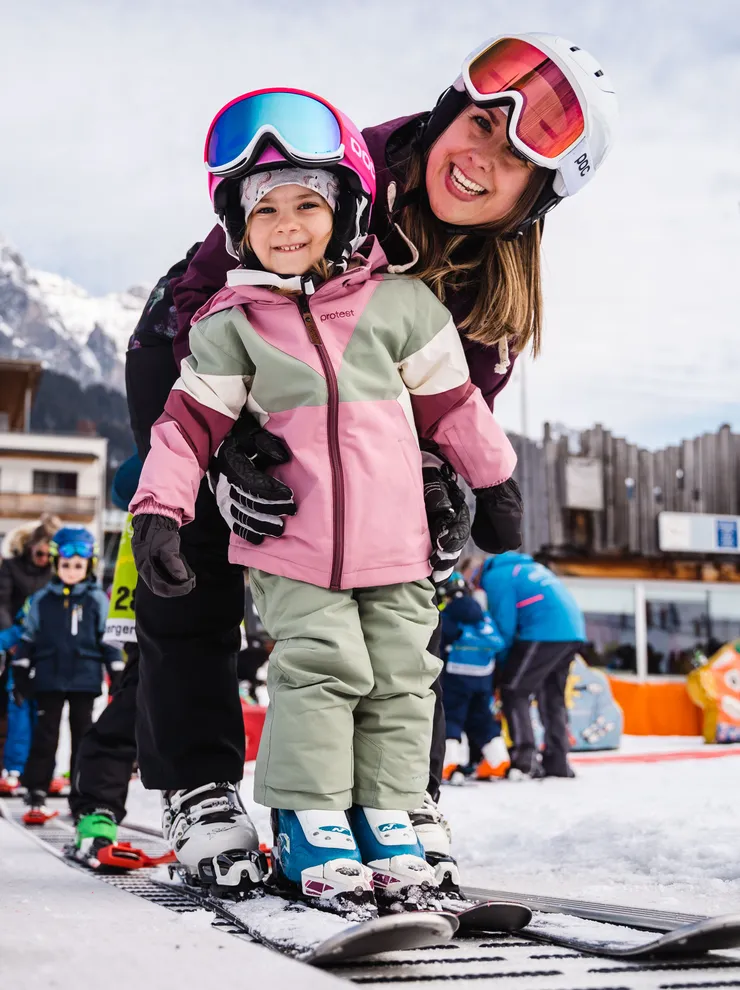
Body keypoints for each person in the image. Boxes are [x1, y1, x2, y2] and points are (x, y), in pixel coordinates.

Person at [126, 34, 617, 887]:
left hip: (359, 421)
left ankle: (397, 797)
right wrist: (230, 446)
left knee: (403, 576)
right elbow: (220, 290)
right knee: (197, 563)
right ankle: (199, 785)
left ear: (537, 199)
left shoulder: (488, 297)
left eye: (510, 161)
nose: (477, 159)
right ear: (444, 111)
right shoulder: (351, 159)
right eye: (476, 126)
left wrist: (442, 481)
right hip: (195, 351)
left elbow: (455, 408)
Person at [11, 528, 124, 823]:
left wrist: (116, 671)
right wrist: (21, 670)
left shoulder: (96, 599)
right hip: (49, 677)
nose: (71, 571)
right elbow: (28, 638)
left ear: (88, 566)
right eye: (65, 565)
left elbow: (107, 639)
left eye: (77, 566)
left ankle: (82, 794)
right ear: (55, 565)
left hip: (84, 678)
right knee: (45, 735)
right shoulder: (41, 600)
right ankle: (36, 790)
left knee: (84, 736)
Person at [479, 551, 586, 779]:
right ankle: (558, 761)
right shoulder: (529, 568)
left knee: (513, 690)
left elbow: (504, 626)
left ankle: (524, 759)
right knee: (552, 696)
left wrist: (500, 665)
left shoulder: (496, 576)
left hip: (544, 631)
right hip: (573, 631)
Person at [439, 574, 509, 783]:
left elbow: (440, 643)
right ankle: (498, 761)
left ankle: (448, 764)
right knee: (481, 718)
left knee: (451, 717)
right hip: (483, 675)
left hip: (456, 674)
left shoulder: (448, 613)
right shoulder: (482, 614)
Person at [0, 515, 58, 759]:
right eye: (40, 554)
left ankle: (34, 764)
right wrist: (10, 640)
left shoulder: (55, 572)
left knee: (38, 705)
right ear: (30, 549)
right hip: (12, 637)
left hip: (41, 645)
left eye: (48, 555)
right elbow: (2, 603)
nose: (44, 560)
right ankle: (10, 761)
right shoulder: (11, 567)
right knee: (12, 701)